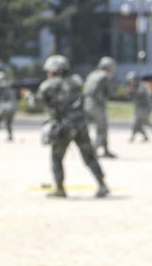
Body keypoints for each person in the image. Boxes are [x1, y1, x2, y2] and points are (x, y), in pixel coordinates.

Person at [36, 53, 109, 199]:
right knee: (89, 157)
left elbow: (38, 102)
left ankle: (60, 189)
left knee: (56, 158)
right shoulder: (75, 82)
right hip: (80, 124)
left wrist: (28, 96)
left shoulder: (49, 84)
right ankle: (102, 184)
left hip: (63, 127)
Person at [84, 56, 118, 158]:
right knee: (102, 128)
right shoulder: (105, 76)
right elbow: (111, 92)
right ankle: (93, 151)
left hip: (87, 103)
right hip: (97, 104)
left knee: (102, 127)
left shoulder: (92, 74)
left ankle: (105, 150)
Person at [127, 71, 152, 142]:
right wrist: (130, 91)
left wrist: (131, 90)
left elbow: (138, 94)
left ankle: (133, 137)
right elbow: (130, 97)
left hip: (145, 107)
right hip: (139, 108)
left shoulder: (141, 86)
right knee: (140, 123)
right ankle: (147, 134)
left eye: (133, 80)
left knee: (137, 122)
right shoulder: (133, 87)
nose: (131, 82)